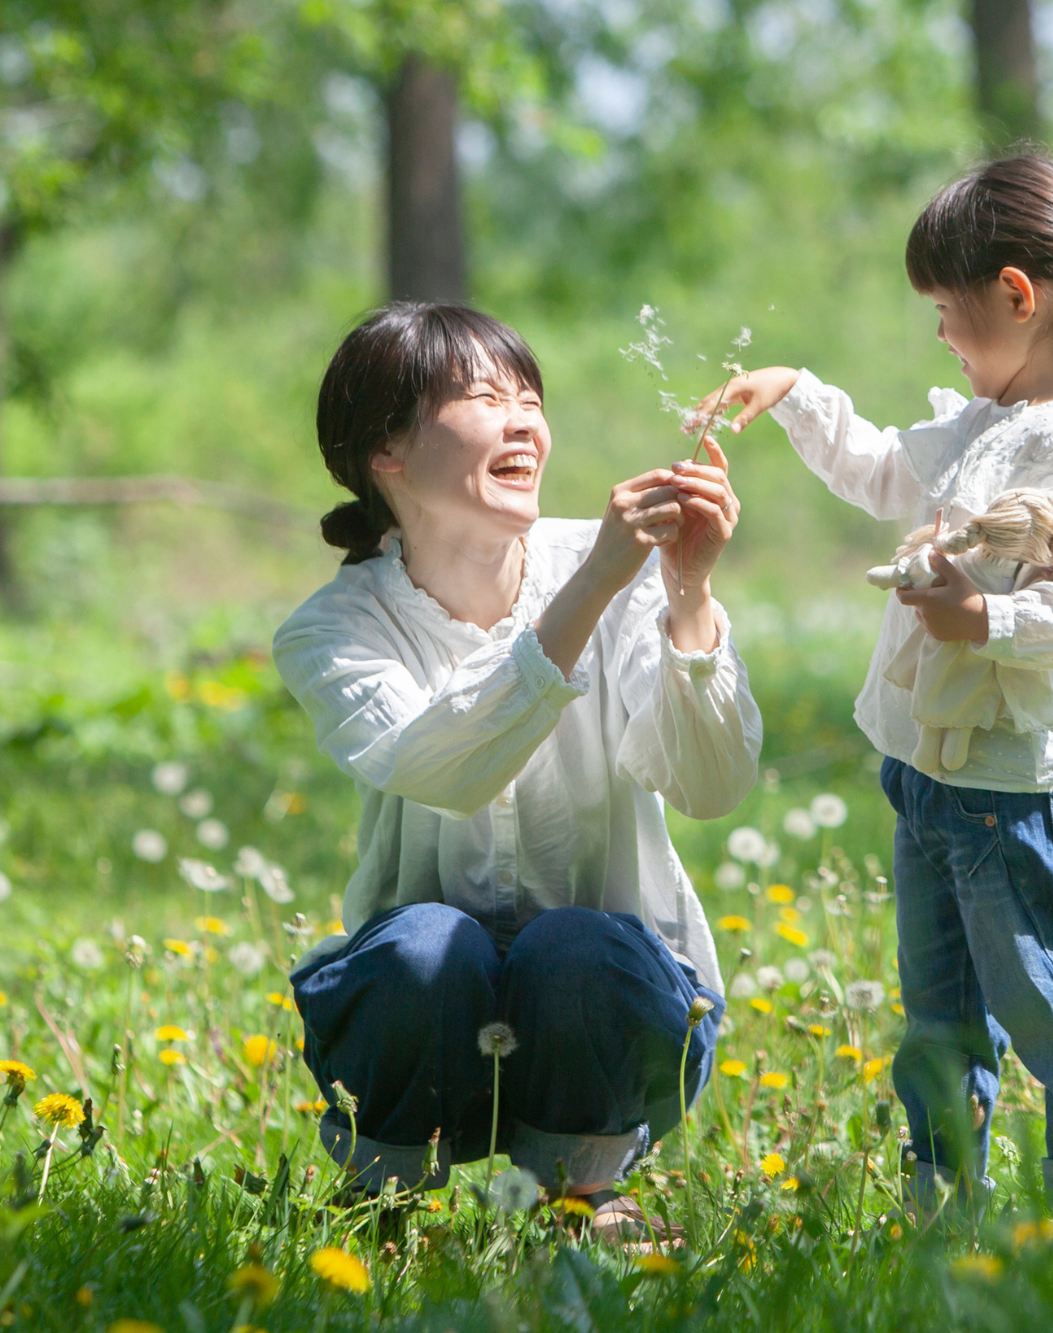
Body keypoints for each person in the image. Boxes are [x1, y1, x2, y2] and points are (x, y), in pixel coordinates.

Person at [695, 153, 1053, 1219]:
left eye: (943, 311)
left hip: (1019, 794)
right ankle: (941, 1198)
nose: (935, 336)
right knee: (938, 1013)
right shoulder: (980, 424)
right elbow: (881, 469)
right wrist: (794, 393)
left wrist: (988, 619)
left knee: (1050, 1002)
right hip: (928, 777)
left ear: (1016, 295)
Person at [276, 302, 760, 1238]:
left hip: (617, 1001)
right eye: (483, 397)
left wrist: (688, 593)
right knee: (426, 945)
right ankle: (384, 1197)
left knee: (576, 946)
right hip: (423, 1012)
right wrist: (595, 587)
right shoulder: (335, 629)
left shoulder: (614, 570)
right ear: (387, 450)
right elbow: (441, 765)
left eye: (530, 399)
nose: (523, 420)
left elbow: (713, 787)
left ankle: (582, 1194)